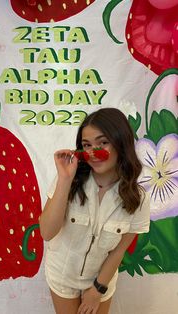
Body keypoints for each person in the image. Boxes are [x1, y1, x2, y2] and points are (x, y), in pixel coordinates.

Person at [39, 108, 150, 314]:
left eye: (103, 143)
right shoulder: (68, 181)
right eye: (87, 145)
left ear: (121, 143)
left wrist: (97, 290)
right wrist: (65, 179)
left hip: (101, 281)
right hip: (62, 277)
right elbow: (46, 232)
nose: (94, 152)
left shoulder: (138, 198)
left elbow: (119, 250)